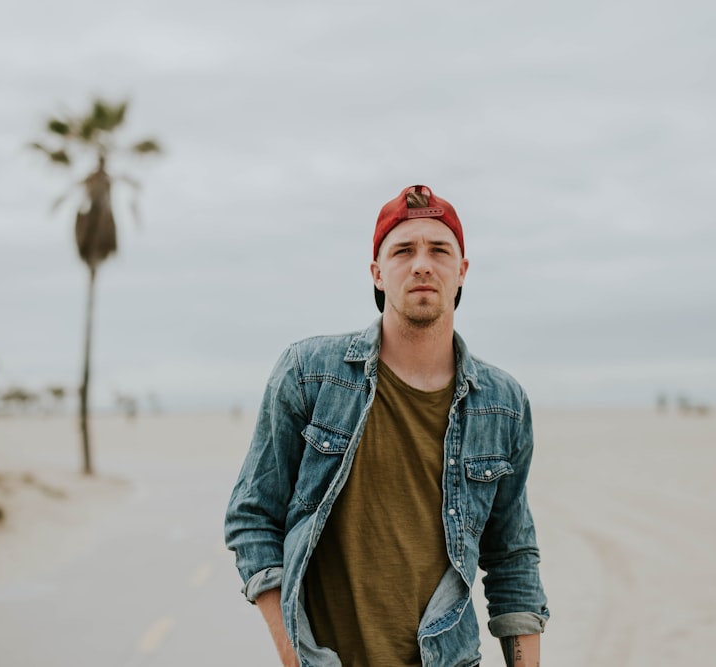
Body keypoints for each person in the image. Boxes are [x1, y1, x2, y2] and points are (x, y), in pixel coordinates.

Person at [225, 184, 549, 666]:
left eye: (439, 250)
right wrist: (293, 656)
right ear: (378, 274)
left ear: (461, 272)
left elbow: (512, 556)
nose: (422, 263)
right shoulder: (309, 373)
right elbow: (253, 516)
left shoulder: (503, 404)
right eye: (403, 250)